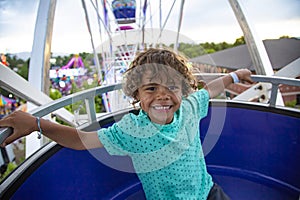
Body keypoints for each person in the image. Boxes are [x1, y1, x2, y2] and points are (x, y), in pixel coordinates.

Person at [0, 48, 253, 199]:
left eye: (172, 87)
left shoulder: (189, 108)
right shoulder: (133, 130)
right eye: (151, 88)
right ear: (137, 94)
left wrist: (234, 76)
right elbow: (81, 140)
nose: (163, 95)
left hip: (208, 192)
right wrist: (36, 123)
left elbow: (209, 90)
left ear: (183, 91)